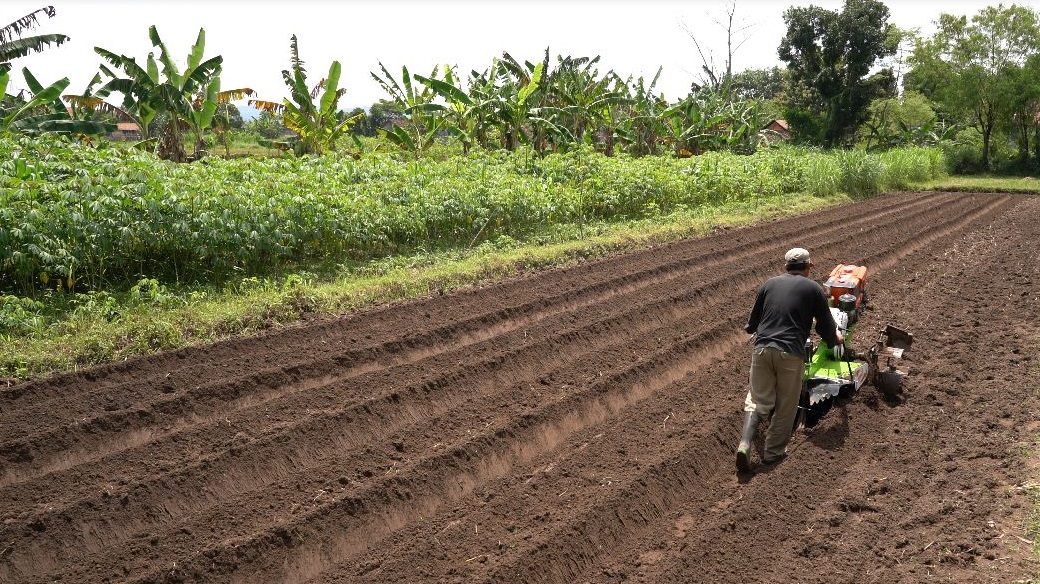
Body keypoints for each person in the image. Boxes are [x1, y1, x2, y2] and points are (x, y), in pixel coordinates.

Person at [736, 247, 843, 471]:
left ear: (786, 265)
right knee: (786, 405)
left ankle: (745, 444)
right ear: (808, 267)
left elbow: (750, 326)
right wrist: (836, 340)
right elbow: (825, 327)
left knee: (757, 400)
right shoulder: (813, 289)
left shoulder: (768, 284)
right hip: (790, 353)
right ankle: (772, 454)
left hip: (762, 349)